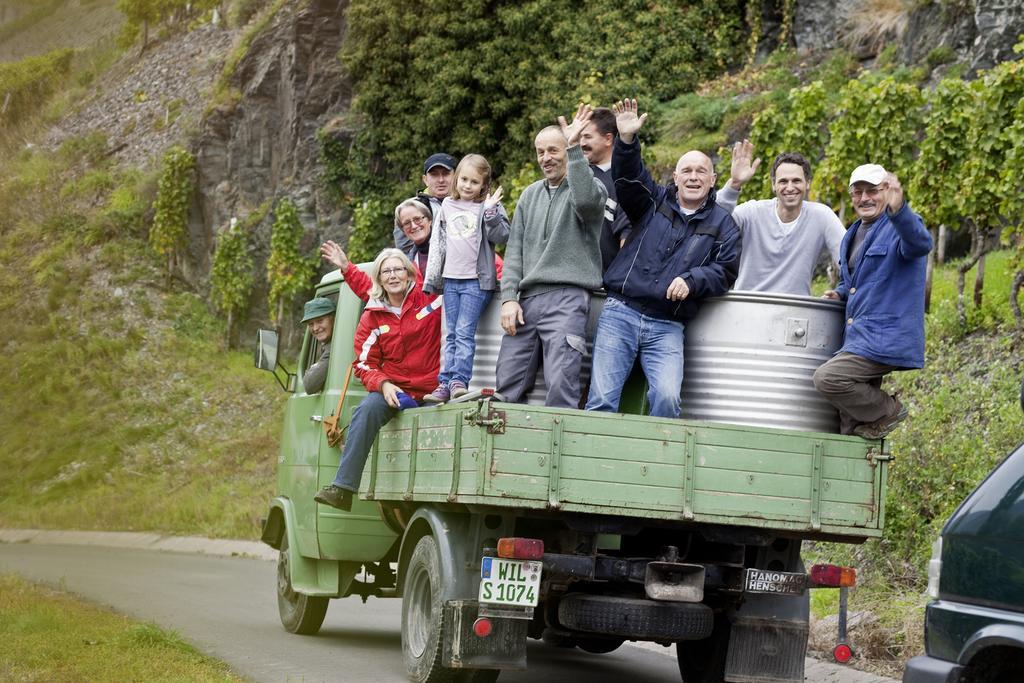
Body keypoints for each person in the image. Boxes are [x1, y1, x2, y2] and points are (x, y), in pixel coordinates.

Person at [585, 99, 741, 418]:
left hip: (668, 324)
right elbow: (628, 178)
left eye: (701, 171)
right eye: (687, 170)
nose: (693, 177)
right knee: (601, 400)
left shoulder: (724, 224)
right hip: (621, 312)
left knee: (668, 400)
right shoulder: (652, 201)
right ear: (675, 176)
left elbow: (725, 271)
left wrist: (692, 280)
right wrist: (627, 141)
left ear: (713, 180)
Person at [313, 248, 442, 511]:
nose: (393, 275)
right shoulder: (372, 317)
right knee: (366, 409)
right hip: (395, 390)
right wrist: (383, 384)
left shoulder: (431, 298)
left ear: (409, 274)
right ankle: (343, 488)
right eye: (386, 272)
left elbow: (465, 284)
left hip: (433, 390)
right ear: (380, 280)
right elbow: (363, 363)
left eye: (398, 270)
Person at [496, 104, 607, 408]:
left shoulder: (590, 187)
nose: (546, 158)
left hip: (567, 298)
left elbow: (585, 202)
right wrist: (508, 298)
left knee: (561, 385)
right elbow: (515, 251)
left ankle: (558, 453)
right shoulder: (529, 195)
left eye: (554, 150)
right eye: (540, 152)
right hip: (526, 301)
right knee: (507, 383)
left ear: (569, 150)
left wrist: (573, 148)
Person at [812, 164, 932, 439]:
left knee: (829, 378)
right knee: (851, 425)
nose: (865, 198)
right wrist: (840, 293)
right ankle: (853, 475)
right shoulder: (853, 233)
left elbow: (920, 244)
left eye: (873, 191)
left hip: (884, 337)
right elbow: (858, 280)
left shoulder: (898, 226)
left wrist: (899, 209)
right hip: (858, 336)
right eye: (858, 192)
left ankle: (889, 409)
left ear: (887, 192)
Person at [422, 154, 510, 403]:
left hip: (475, 281)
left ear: (483, 185)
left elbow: (503, 235)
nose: (468, 185)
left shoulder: (487, 206)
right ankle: (444, 384)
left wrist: (492, 211)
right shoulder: (447, 206)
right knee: (450, 334)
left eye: (474, 182)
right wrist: (432, 279)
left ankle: (459, 380)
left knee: (463, 331)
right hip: (451, 279)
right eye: (464, 179)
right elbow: (437, 243)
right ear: (456, 179)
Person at [716, 141, 846, 295]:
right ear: (773, 185)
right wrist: (734, 185)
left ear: (808, 183)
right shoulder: (751, 213)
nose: (790, 187)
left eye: (796, 181)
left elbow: (846, 257)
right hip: (747, 306)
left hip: (795, 310)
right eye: (783, 181)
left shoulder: (821, 216)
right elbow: (715, 221)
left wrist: (841, 292)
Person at [580, 107, 632, 271]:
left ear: (608, 139)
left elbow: (628, 236)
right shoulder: (578, 175)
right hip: (572, 280)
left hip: (607, 281)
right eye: (580, 136)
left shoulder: (626, 179)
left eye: (587, 136)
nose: (582, 143)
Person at [394, 153, 457, 254]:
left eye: (446, 173)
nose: (441, 180)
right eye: (434, 175)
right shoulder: (408, 209)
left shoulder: (469, 204)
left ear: (456, 176)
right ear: (425, 179)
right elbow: (404, 252)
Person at [299, 297, 335, 394]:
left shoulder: (334, 348)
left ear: (333, 319)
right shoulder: (327, 346)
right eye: (311, 324)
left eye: (320, 321)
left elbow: (310, 385)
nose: (315, 328)